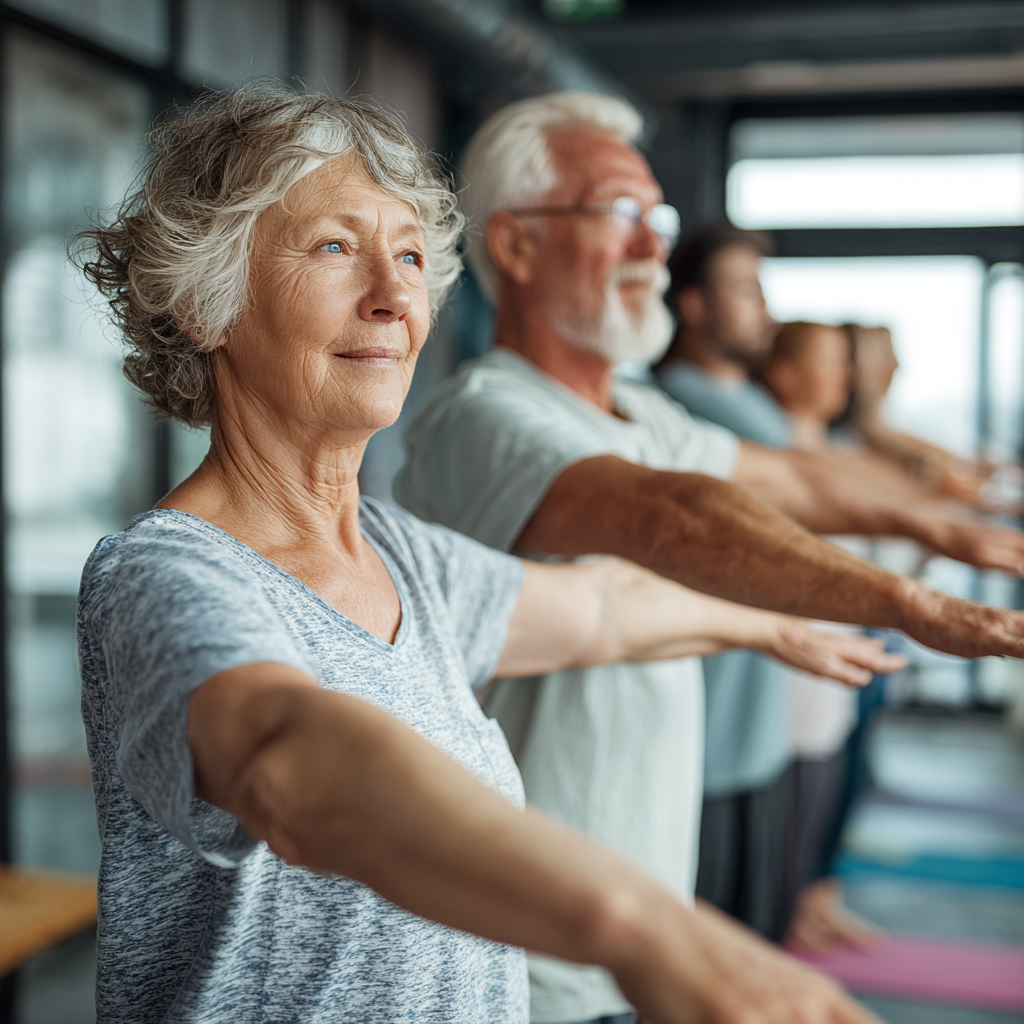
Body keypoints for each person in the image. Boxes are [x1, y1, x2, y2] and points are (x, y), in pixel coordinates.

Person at [72, 85, 902, 1024]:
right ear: (206, 300)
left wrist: (806, 616)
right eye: (337, 247)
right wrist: (634, 923)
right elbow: (291, 759)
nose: (394, 298)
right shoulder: (165, 575)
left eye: (413, 257)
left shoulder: (403, 556)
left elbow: (608, 612)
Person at [394, 91, 1024, 1023]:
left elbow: (796, 479)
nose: (651, 245)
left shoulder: (646, 414)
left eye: (657, 218)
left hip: (635, 914)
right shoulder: (482, 415)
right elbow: (669, 517)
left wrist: (950, 524)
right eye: (618, 214)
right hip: (525, 954)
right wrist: (908, 601)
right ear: (516, 246)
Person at [655, 228, 1004, 945]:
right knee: (724, 937)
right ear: (691, 304)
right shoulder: (692, 405)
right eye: (746, 290)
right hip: (724, 717)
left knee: (762, 915)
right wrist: (938, 528)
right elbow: (810, 475)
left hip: (761, 708)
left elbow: (824, 470)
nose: (764, 309)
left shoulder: (741, 409)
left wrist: (941, 517)